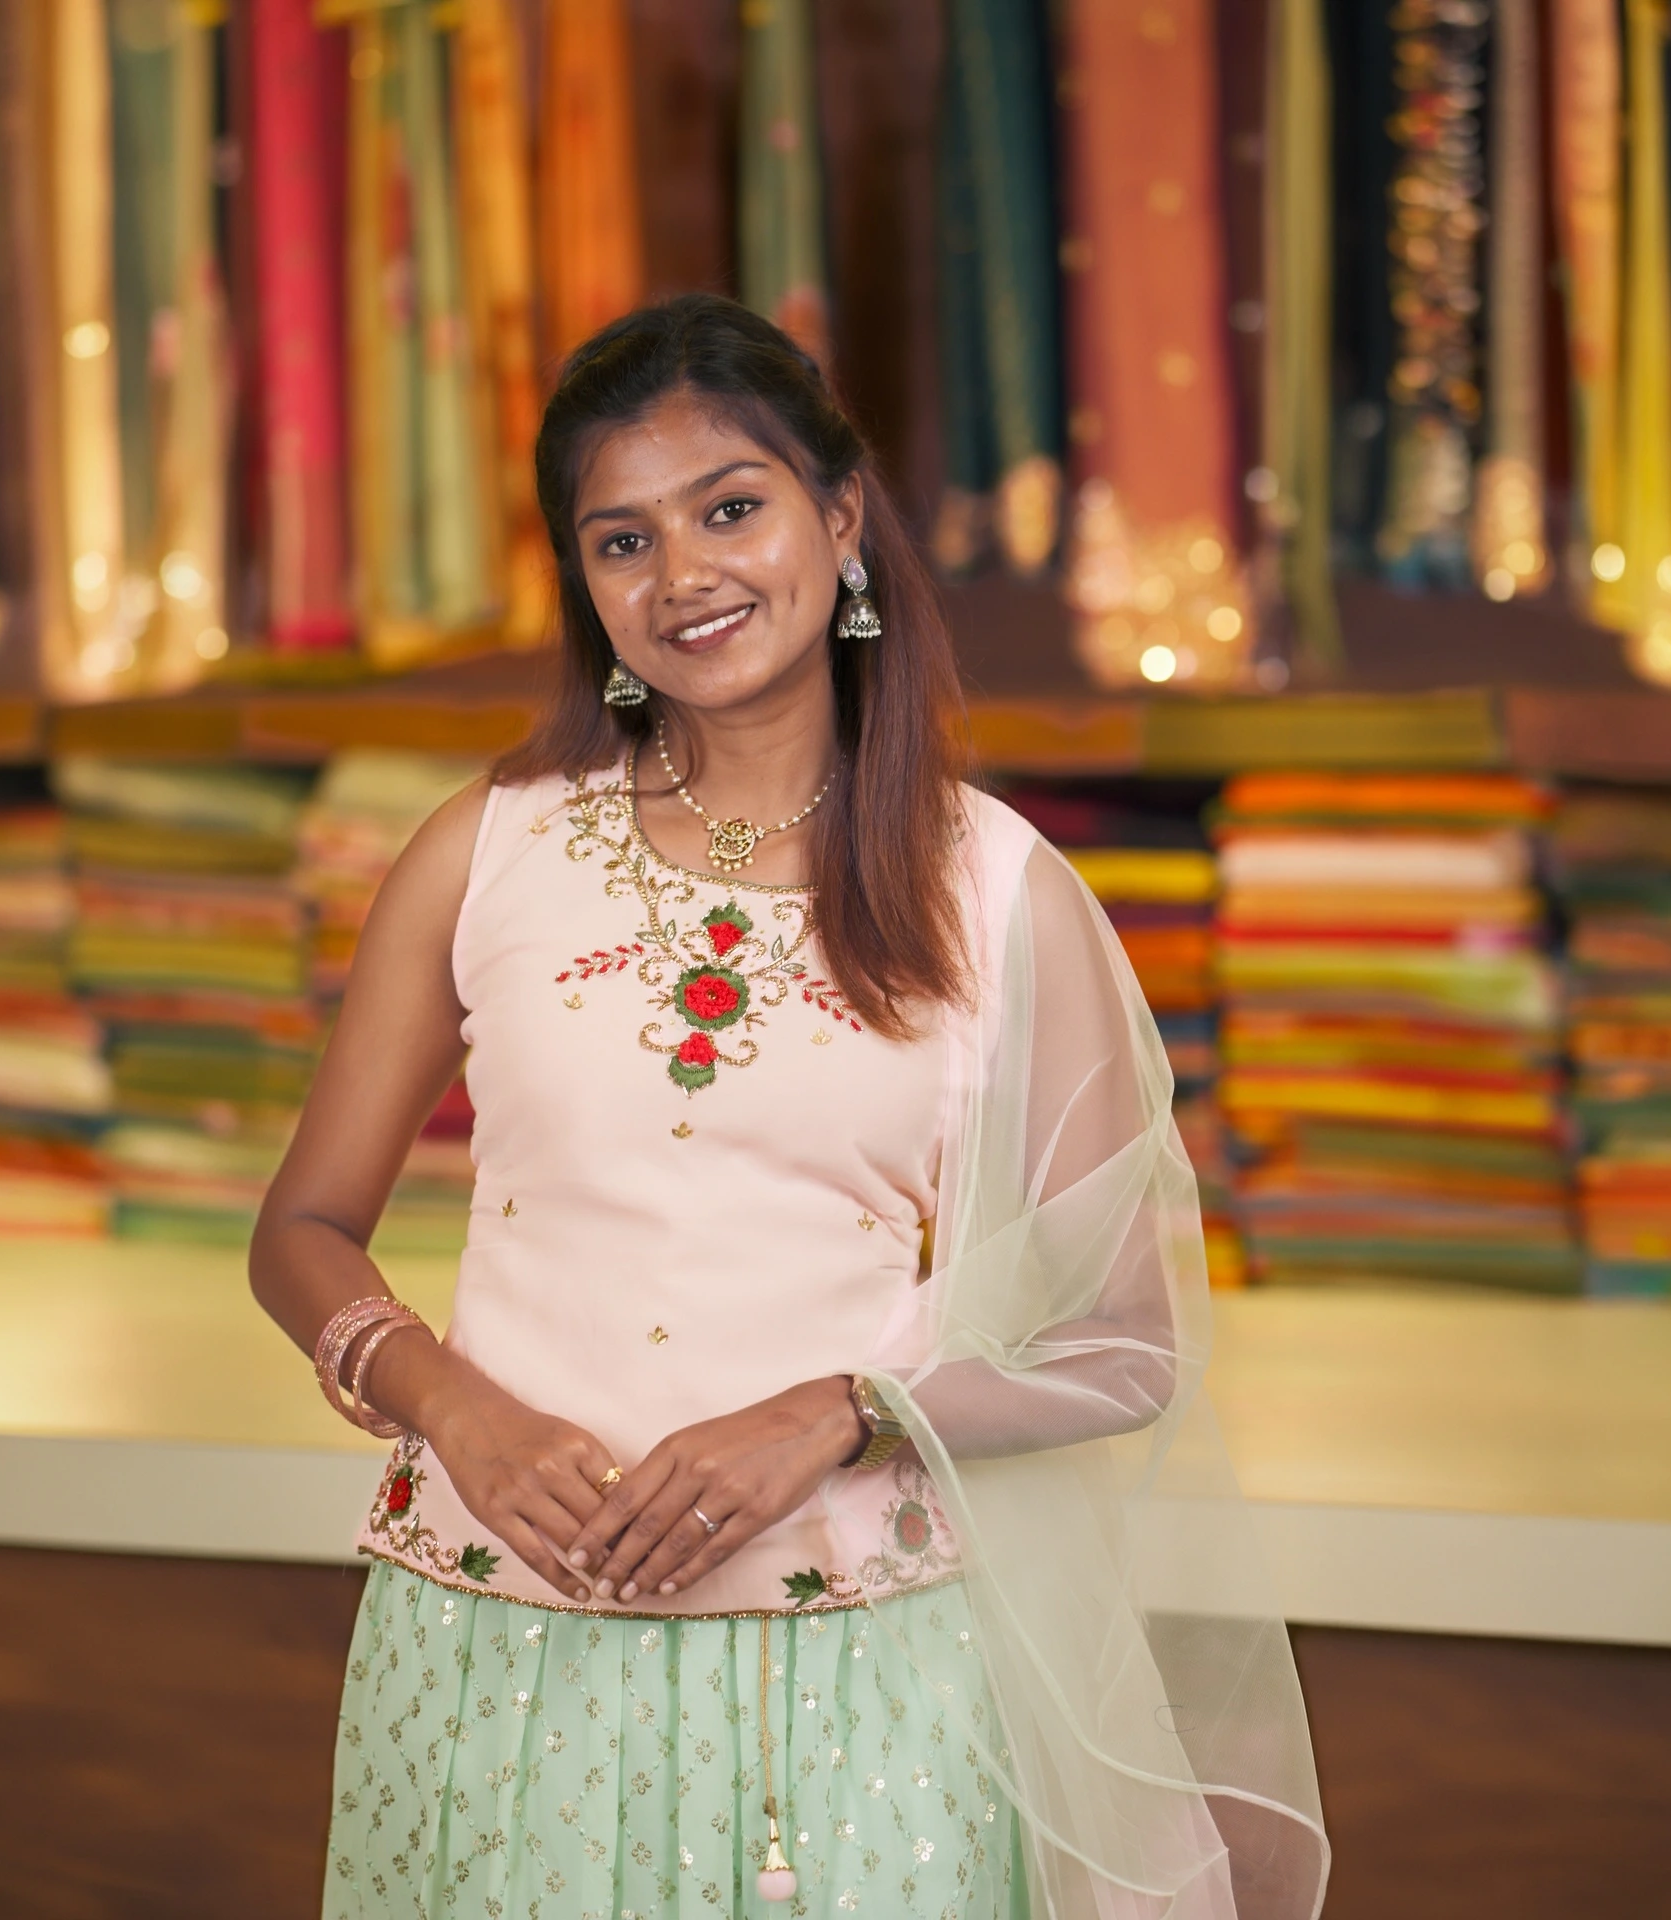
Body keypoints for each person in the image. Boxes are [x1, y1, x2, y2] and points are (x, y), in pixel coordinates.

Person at [251, 294, 1327, 1920]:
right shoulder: (491, 850)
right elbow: (304, 1230)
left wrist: (842, 1409)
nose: (682, 575)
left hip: (862, 1678)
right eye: (621, 540)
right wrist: (453, 1408)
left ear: (839, 518)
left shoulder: (996, 890)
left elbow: (1124, 1346)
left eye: (730, 508)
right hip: (492, 1646)